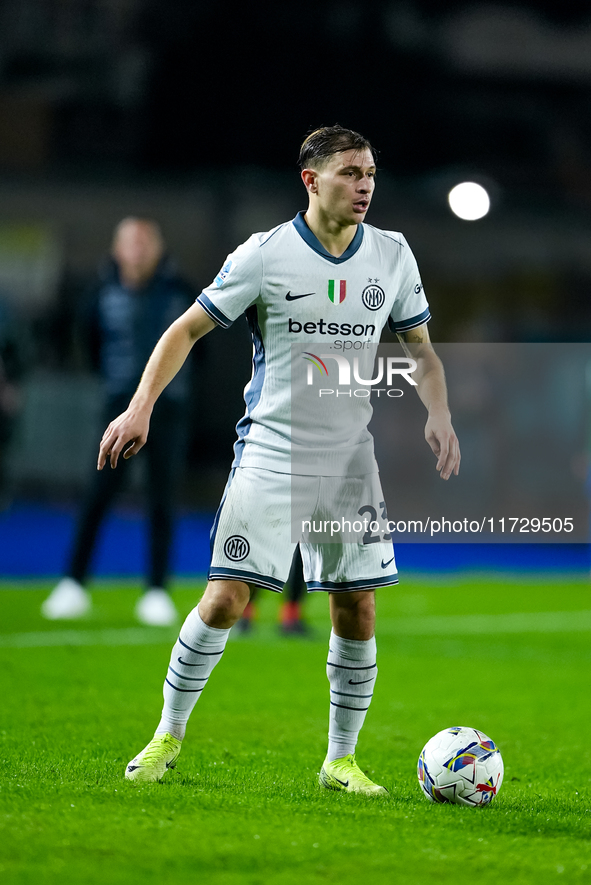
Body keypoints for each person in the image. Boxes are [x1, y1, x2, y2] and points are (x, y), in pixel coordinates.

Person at [98, 126, 460, 794]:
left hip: (351, 461)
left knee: (358, 607)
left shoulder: (391, 254)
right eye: (351, 172)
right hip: (270, 452)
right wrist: (140, 404)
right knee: (225, 598)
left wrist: (437, 410)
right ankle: (165, 736)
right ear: (310, 179)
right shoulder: (264, 255)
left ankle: (339, 760)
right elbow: (186, 328)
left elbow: (421, 349)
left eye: (372, 173)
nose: (365, 185)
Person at [42, 218, 195, 626]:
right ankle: (73, 584)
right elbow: (89, 343)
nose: (139, 250)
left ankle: (157, 591)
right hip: (117, 409)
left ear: (160, 249)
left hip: (169, 411)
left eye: (147, 242)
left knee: (162, 499)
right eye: (131, 242)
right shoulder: (101, 295)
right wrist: (118, 389)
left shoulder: (181, 294)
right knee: (98, 494)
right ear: (116, 250)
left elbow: (201, 350)